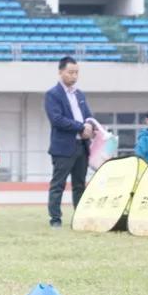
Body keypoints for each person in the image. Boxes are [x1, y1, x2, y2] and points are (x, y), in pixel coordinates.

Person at [45, 56, 94, 228]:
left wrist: (91, 125)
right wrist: (81, 127)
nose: (74, 76)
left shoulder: (79, 94)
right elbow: (57, 119)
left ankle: (80, 217)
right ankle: (55, 219)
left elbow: (88, 115)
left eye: (76, 73)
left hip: (82, 146)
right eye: (70, 72)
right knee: (58, 184)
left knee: (79, 185)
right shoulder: (53, 94)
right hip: (63, 147)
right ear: (61, 72)